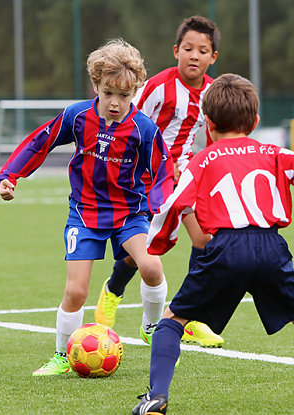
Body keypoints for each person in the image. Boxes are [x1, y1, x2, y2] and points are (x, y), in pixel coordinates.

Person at [132, 73, 294, 414]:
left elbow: (174, 203)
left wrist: (161, 242)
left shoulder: (202, 160)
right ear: (256, 121)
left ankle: (156, 397)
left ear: (208, 123)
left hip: (224, 249)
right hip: (270, 247)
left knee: (173, 319)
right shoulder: (275, 153)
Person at [0, 38, 174, 376]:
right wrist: (10, 175)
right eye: (109, 93)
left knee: (151, 268)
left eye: (125, 95)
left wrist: (154, 206)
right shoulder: (77, 116)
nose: (115, 103)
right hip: (86, 214)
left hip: (129, 215)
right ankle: (63, 355)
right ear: (96, 85)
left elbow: (163, 171)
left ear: (134, 92)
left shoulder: (144, 129)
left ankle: (152, 329)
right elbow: (40, 142)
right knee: (76, 291)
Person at [95, 15, 224, 348]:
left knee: (204, 240)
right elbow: (132, 124)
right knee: (148, 248)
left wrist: (208, 170)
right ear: (176, 51)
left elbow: (212, 136)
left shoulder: (212, 92)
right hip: (149, 179)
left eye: (203, 50)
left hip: (185, 180)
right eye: (188, 48)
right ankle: (113, 291)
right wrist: (152, 168)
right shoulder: (159, 87)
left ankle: (190, 316)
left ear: (213, 58)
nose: (194, 55)